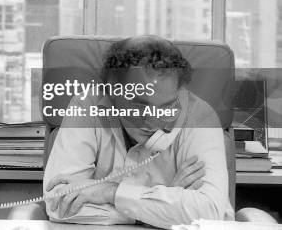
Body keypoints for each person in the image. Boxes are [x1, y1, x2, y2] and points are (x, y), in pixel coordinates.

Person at [43, 35, 234, 228]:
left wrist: (110, 192)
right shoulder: (86, 106)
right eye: (139, 106)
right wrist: (160, 208)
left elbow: (209, 214)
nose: (153, 120)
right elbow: (58, 204)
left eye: (166, 106)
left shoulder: (200, 118)